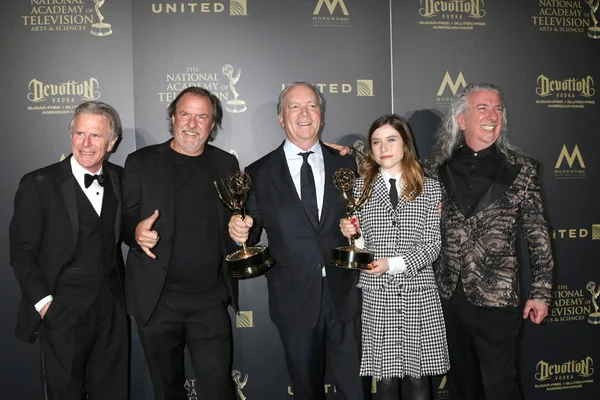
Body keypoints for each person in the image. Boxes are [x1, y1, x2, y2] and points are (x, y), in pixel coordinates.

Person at [228, 82, 367, 400]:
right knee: (305, 389)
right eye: (294, 106)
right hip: (293, 300)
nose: (304, 114)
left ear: (322, 115)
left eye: (312, 106)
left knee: (356, 388)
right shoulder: (258, 172)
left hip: (345, 294)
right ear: (280, 118)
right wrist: (239, 231)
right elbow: (251, 227)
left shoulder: (347, 162)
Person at [425, 82, 554, 400]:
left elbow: (538, 235)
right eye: (483, 108)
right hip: (449, 297)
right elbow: (385, 162)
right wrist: (339, 153)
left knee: (500, 387)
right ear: (461, 119)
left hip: (498, 300)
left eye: (498, 109)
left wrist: (541, 293)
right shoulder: (434, 170)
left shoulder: (523, 170)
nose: (493, 115)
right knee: (462, 386)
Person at [121, 87, 238, 400]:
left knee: (219, 391)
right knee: (167, 390)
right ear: (172, 118)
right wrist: (135, 232)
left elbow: (237, 221)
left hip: (209, 301)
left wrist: (241, 230)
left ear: (213, 125)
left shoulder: (227, 164)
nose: (192, 123)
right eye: (185, 114)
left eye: (202, 116)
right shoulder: (140, 162)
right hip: (158, 301)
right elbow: (123, 221)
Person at [9, 101, 128, 399]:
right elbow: (21, 252)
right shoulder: (38, 183)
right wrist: (45, 304)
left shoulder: (122, 179)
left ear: (112, 141)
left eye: (96, 136)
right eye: (79, 134)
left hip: (112, 309)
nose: (85, 144)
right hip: (63, 309)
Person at [339, 114, 449, 400]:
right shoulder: (359, 189)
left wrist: (392, 265)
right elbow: (361, 247)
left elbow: (432, 246)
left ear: (405, 144)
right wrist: (353, 234)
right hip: (378, 296)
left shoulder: (429, 187)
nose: (383, 148)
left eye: (391, 140)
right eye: (376, 142)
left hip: (419, 293)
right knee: (385, 380)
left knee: (418, 378)